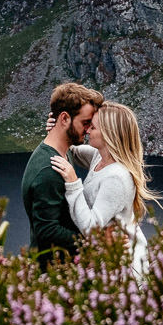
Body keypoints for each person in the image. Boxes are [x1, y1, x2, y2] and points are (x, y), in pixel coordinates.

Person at [49, 102, 161, 279]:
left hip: (123, 268)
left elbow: (90, 227)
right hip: (108, 256)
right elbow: (74, 152)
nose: (87, 131)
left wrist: (73, 182)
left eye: (93, 127)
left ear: (109, 135)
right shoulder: (99, 157)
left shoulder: (116, 177)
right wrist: (58, 130)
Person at [21, 82, 104, 268]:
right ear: (65, 119)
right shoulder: (49, 169)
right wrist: (96, 243)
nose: (89, 129)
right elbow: (47, 230)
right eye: (85, 123)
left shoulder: (62, 153)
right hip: (52, 273)